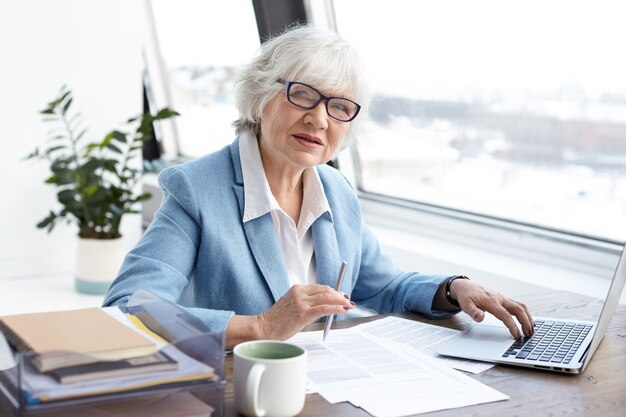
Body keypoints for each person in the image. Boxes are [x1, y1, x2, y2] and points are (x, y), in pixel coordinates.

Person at [102, 25, 533, 349]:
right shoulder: (197, 189)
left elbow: (383, 287)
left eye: (339, 107)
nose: (320, 119)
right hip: (235, 391)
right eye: (303, 95)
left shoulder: (336, 190)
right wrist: (260, 327)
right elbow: (129, 308)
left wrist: (454, 288)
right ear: (261, 96)